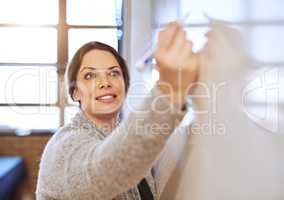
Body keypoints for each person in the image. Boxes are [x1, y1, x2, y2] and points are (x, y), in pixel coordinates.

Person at [36, 21, 199, 200]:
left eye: (114, 73)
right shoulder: (63, 146)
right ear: (75, 93)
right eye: (89, 76)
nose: (105, 82)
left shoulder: (126, 138)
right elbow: (109, 168)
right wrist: (170, 90)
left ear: (125, 83)